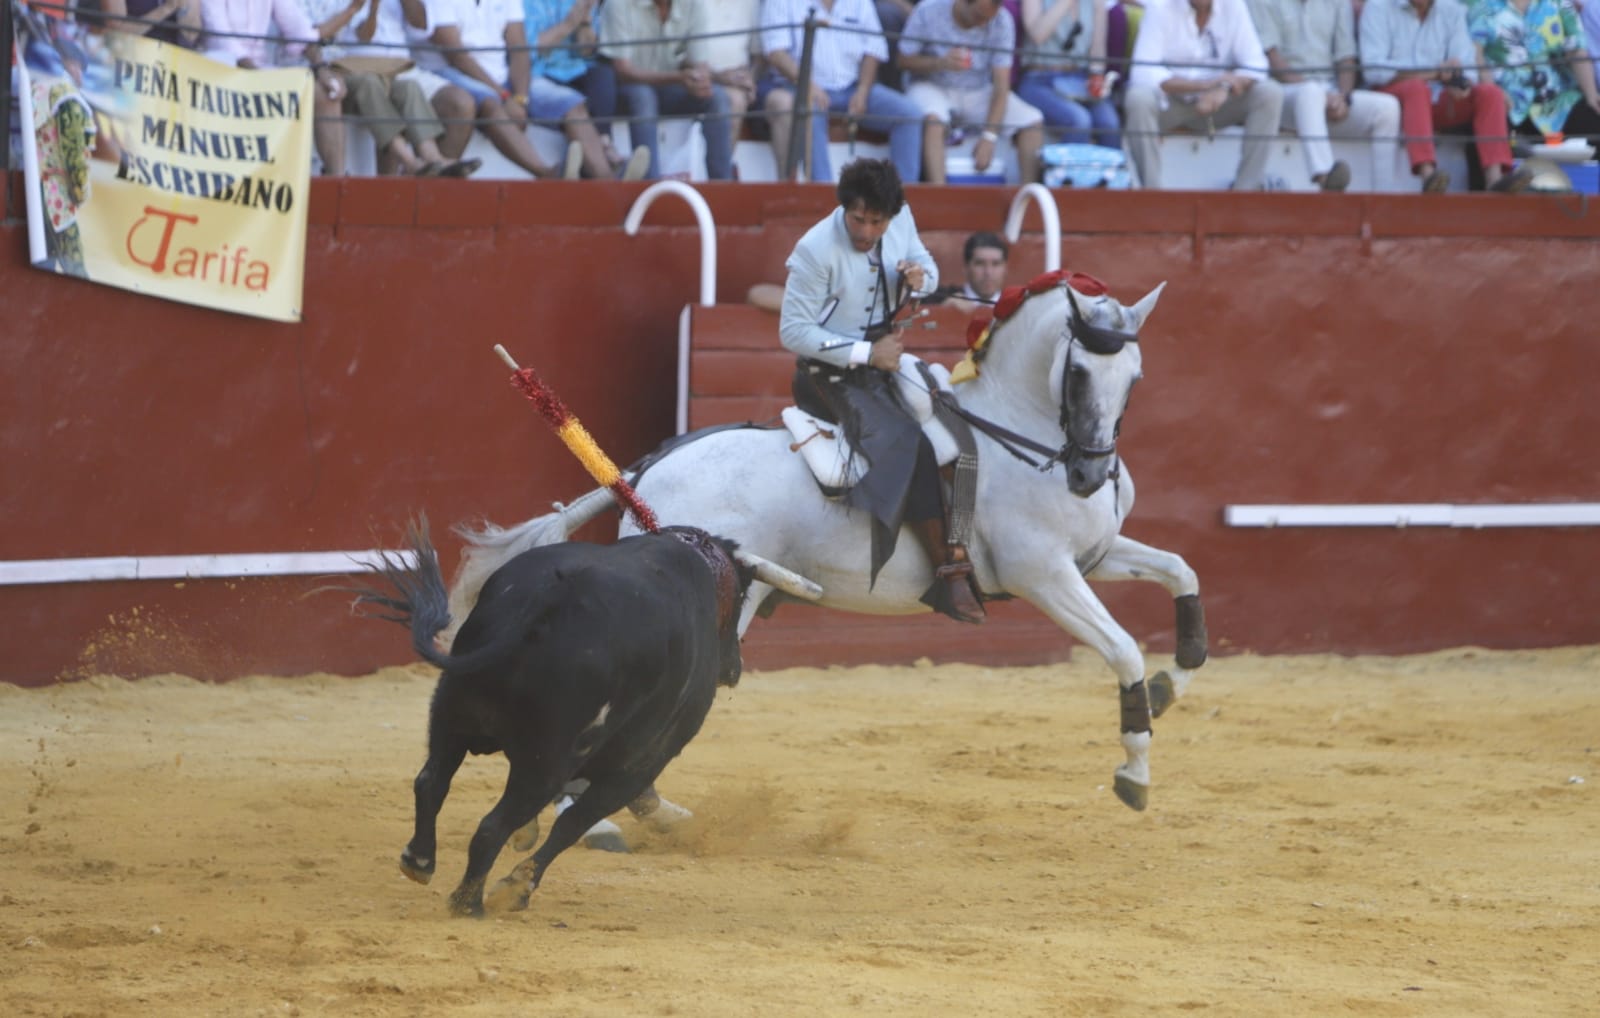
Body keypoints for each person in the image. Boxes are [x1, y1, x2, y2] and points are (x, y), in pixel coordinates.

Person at [779, 158, 986, 625]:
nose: (867, 231)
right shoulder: (814, 249)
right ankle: (948, 571)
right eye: (858, 219)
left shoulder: (902, 217)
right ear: (844, 208)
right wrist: (868, 354)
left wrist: (921, 279)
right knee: (908, 443)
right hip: (827, 373)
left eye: (878, 222)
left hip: (884, 359)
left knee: (954, 420)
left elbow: (927, 267)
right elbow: (793, 332)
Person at [412, 0, 610, 179]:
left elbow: (519, 49)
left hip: (500, 77)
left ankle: (608, 182)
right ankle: (546, 174)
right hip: (451, 73)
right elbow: (457, 57)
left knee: (573, 105)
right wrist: (505, 96)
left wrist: (521, 98)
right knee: (490, 103)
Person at [1358, 0, 1529, 192]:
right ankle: (1428, 176)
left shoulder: (1452, 10)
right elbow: (1374, 71)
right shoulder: (1378, 7)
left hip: (1438, 98)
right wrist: (1433, 73)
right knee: (1416, 89)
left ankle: (1495, 180)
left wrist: (1460, 81)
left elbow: (1466, 67)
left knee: (1490, 94)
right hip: (1394, 99)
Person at [299, 0, 482, 177]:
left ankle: (433, 157)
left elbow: (366, 34)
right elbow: (306, 37)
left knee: (409, 88)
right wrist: (353, 9)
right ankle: (409, 162)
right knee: (369, 84)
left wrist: (373, 7)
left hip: (377, 68)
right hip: (332, 69)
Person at [1122, 0, 1284, 190]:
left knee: (1269, 92)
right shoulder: (1161, 7)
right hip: (1171, 103)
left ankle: (1245, 191)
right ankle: (1152, 194)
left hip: (1218, 103)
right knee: (1138, 98)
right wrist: (1204, 86)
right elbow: (1142, 72)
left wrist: (1224, 88)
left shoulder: (1233, 5)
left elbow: (1256, 64)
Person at [758, 0, 926, 183]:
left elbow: (875, 48)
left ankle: (902, 195)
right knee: (809, 112)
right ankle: (822, 192)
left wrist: (862, 90)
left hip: (852, 85)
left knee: (909, 115)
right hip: (799, 86)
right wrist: (808, 85)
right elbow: (775, 52)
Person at [1247, 0, 1401, 191]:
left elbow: (1346, 57)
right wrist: (1323, 95)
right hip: (1283, 94)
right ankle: (1325, 177)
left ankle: (1384, 194)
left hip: (1330, 95)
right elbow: (1272, 59)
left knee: (1387, 108)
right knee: (1310, 92)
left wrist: (1343, 98)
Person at [898, 0, 1046, 185]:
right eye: (979, 16)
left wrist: (989, 136)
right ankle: (939, 196)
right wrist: (940, 63)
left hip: (978, 90)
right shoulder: (928, 9)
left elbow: (1001, 86)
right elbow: (903, 60)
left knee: (1032, 121)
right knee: (934, 120)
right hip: (931, 84)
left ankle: (1029, 197)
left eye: (989, 18)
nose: (984, 24)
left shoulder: (1002, 20)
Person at [200, 0, 349, 175]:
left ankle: (338, 181)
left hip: (262, 71)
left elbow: (300, 32)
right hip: (221, 72)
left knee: (326, 93)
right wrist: (267, 82)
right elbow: (222, 41)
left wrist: (321, 68)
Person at [599, 0, 735, 180]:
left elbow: (699, 63)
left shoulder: (694, 4)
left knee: (717, 97)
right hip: (626, 89)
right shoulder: (618, 4)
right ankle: (650, 184)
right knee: (643, 96)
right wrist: (679, 77)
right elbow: (622, 71)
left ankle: (722, 186)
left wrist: (699, 80)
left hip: (671, 87)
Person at [524, 0, 651, 178]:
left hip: (575, 69)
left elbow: (586, 52)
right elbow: (529, 49)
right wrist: (568, 25)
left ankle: (604, 143)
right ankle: (607, 166)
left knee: (603, 73)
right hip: (541, 73)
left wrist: (584, 23)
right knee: (573, 103)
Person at [1469, 0, 1600, 144]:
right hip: (1508, 101)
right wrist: (1494, 91)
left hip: (1558, 101)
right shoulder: (1483, 7)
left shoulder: (1559, 3)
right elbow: (1475, 55)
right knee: (1486, 134)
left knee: (1595, 118)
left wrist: (1591, 95)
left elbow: (1576, 51)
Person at [1016, 0, 1122, 148]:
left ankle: (1105, 165)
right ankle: (1067, 164)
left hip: (1079, 80)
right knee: (1079, 121)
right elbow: (1038, 34)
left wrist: (1097, 78)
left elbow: (1097, 50)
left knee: (1109, 124)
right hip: (1038, 79)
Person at [928, 230, 1008, 311]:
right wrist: (943, 311)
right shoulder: (938, 298)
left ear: (1005, 268)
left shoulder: (1013, 306)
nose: (988, 272)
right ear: (966, 268)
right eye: (980, 263)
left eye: (996, 264)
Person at [99, 0, 203, 48]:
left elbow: (191, 36)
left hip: (172, 66)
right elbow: (117, 33)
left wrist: (184, 9)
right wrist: (166, 9)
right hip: (130, 62)